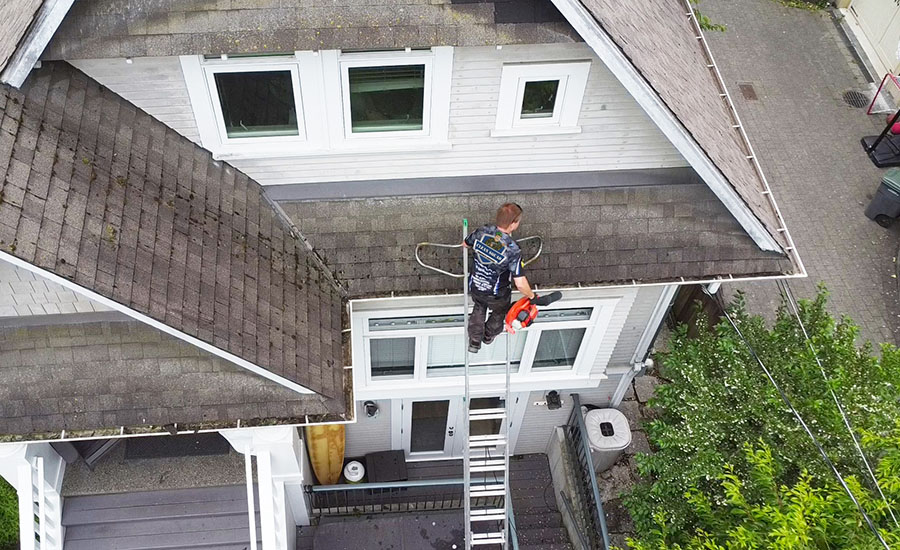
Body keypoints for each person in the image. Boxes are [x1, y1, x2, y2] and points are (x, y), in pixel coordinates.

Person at [463, 203, 536, 354]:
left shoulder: (482, 231)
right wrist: (531, 296)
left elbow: (465, 243)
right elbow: (520, 283)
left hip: (476, 285)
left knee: (479, 307)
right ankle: (488, 336)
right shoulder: (512, 250)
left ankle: (474, 342)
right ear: (513, 224)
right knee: (498, 313)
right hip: (496, 294)